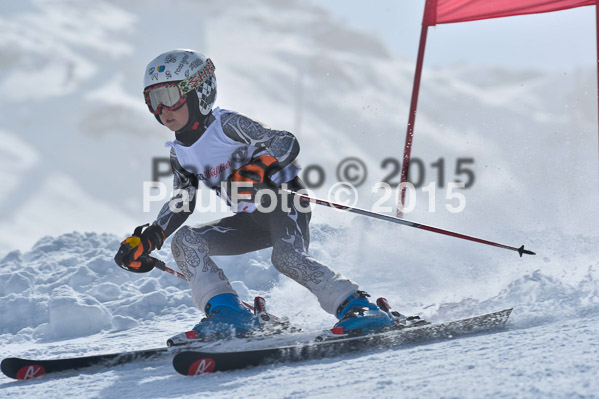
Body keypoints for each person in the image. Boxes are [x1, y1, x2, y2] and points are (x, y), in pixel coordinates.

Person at [114, 49, 401, 341]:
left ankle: (358, 305)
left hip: (283, 201)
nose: (162, 111)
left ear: (197, 92)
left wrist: (260, 166)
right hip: (250, 220)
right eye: (153, 101)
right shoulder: (180, 153)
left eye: (168, 98)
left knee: (286, 257)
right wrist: (150, 237)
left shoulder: (226, 126)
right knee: (186, 241)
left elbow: (284, 141)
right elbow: (183, 199)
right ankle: (229, 315)